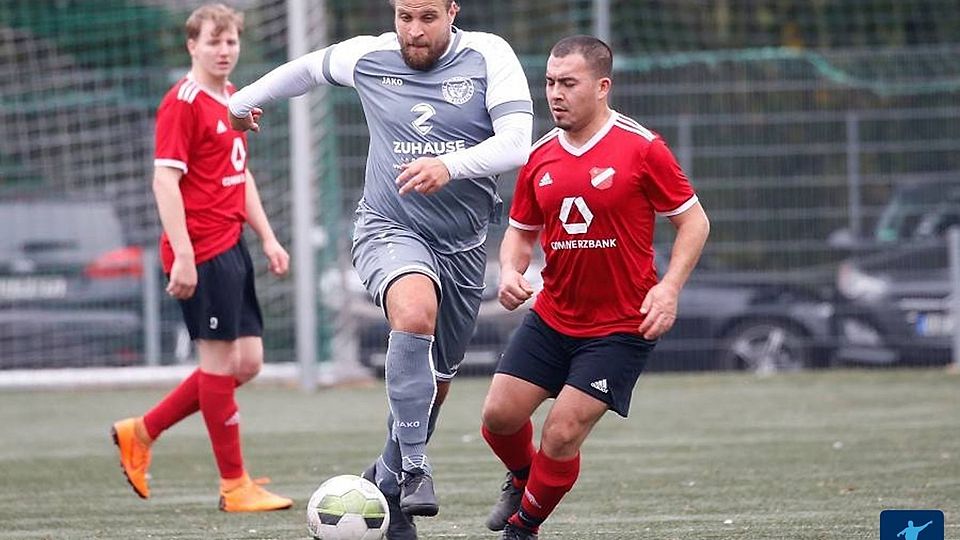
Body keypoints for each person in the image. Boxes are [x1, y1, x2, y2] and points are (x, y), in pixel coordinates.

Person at [228, 0, 532, 537]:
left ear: (452, 11)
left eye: (428, 18)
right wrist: (241, 101)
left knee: (434, 384)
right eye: (404, 17)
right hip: (388, 227)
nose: (414, 31)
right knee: (413, 314)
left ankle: (387, 486)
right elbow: (306, 69)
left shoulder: (489, 56)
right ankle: (414, 468)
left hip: (464, 246)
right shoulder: (369, 57)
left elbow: (515, 145)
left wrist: (449, 166)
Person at [479, 35, 711, 540]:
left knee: (561, 432)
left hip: (621, 326)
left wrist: (669, 288)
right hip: (553, 316)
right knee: (498, 416)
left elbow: (694, 222)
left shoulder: (642, 148)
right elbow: (520, 231)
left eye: (568, 83)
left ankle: (523, 527)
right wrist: (511, 272)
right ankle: (523, 478)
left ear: (602, 87)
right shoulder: (539, 156)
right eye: (549, 83)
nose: (555, 94)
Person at [111, 3, 293, 513]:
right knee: (216, 365)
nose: (224, 50)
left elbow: (238, 173)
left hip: (232, 245)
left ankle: (141, 431)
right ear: (192, 45)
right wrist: (184, 257)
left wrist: (268, 237)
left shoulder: (234, 97)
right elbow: (164, 181)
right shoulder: (182, 103)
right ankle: (234, 485)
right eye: (213, 41)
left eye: (231, 41)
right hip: (203, 250)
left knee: (247, 363)